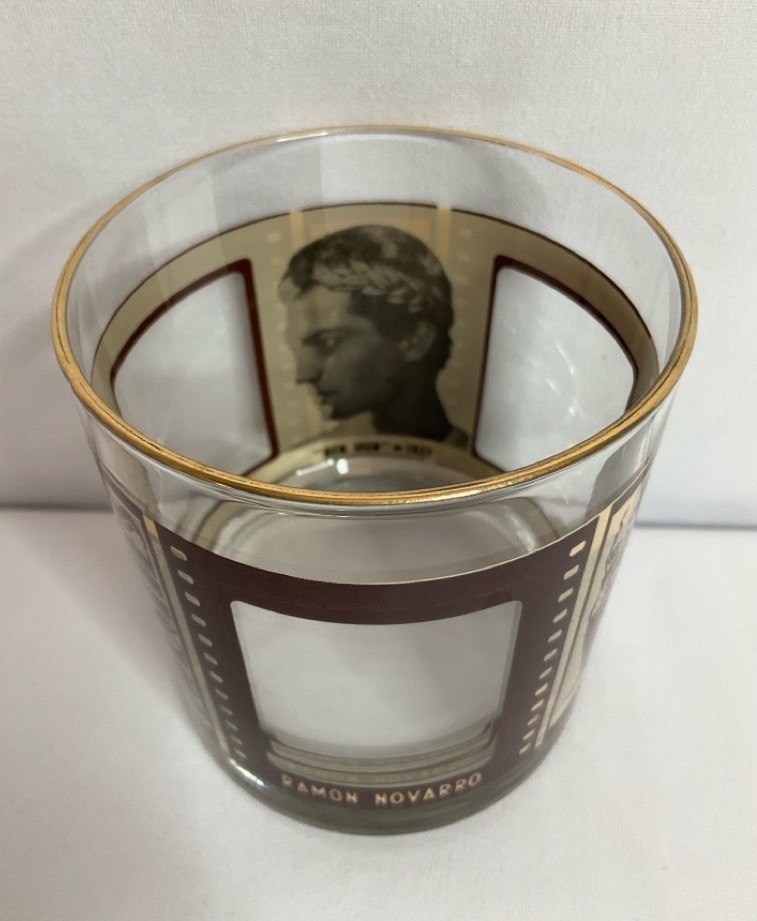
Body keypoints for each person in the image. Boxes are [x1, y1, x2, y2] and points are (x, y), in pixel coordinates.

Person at [278, 224, 468, 447]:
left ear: (415, 339)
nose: (303, 374)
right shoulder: (306, 458)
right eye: (297, 348)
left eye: (329, 342)